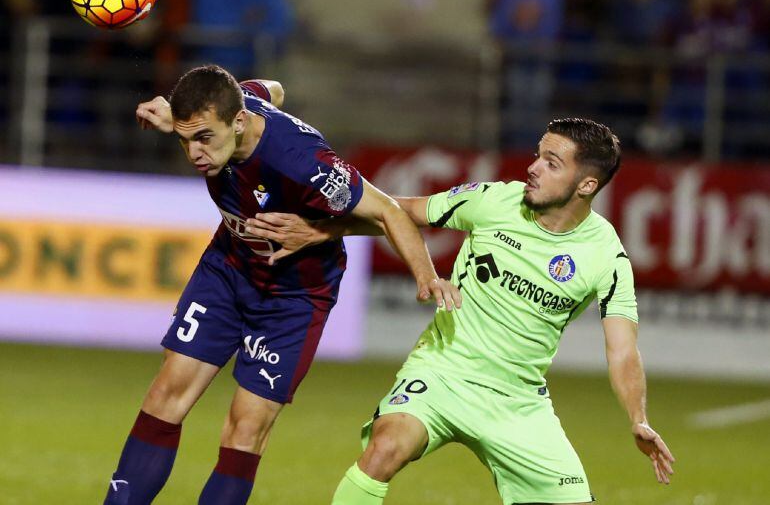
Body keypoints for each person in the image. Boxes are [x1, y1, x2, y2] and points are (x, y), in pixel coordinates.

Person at [245, 118, 675, 504]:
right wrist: (321, 229)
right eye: (537, 155)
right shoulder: (493, 200)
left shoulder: (606, 255)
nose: (533, 167)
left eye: (552, 162)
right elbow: (399, 212)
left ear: (586, 186)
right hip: (442, 371)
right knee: (385, 448)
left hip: (518, 401)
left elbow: (622, 349)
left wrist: (639, 418)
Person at [103, 64, 460, 505]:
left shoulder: (304, 164)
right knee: (165, 395)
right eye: (184, 139)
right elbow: (273, 88)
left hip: (294, 297)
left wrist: (423, 274)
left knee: (245, 429)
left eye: (204, 138)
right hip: (229, 270)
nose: (194, 153)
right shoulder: (236, 107)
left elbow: (388, 210)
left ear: (236, 123)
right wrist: (180, 117)